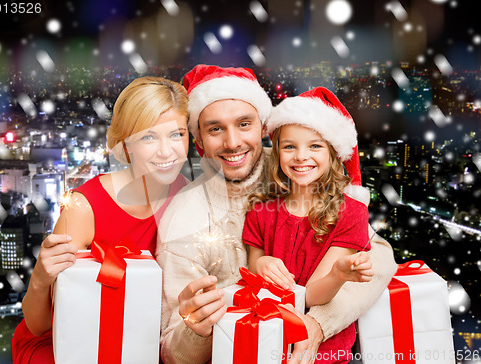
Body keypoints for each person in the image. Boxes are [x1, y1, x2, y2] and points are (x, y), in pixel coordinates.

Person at [156, 65, 397, 364]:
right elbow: (172, 352)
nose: (232, 143)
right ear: (199, 140)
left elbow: (379, 254)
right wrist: (198, 329)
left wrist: (318, 323)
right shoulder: (184, 220)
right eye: (215, 128)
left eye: (244, 124)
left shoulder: (298, 167)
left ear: (262, 126)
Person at [12, 76, 190, 364]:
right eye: (148, 137)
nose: (167, 151)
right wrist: (40, 279)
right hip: (72, 340)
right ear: (125, 145)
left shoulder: (186, 194)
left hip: (140, 337)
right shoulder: (84, 207)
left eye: (177, 134)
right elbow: (39, 325)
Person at [244, 87, 374, 363]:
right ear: (277, 152)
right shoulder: (260, 212)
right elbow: (251, 269)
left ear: (333, 153)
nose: (301, 156)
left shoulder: (351, 214)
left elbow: (312, 296)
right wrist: (261, 262)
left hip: (325, 352)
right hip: (264, 341)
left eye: (315, 146)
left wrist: (338, 275)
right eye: (289, 146)